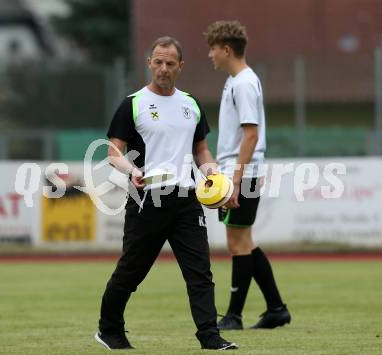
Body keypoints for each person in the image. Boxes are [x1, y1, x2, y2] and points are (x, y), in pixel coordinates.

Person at [94, 36, 238, 351]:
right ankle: (109, 329)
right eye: (157, 62)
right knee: (132, 270)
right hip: (148, 199)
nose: (163, 68)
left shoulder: (191, 104)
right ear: (149, 63)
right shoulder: (133, 103)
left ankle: (210, 337)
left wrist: (213, 174)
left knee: (200, 272)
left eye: (169, 63)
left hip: (187, 199)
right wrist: (132, 171)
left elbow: (201, 150)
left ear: (180, 66)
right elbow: (112, 151)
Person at [204, 21, 291, 330]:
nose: (210, 54)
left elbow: (250, 136)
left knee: (238, 242)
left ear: (226, 49)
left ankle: (234, 316)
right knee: (244, 241)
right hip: (238, 171)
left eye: (213, 48)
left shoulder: (242, 83)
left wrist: (236, 180)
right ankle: (276, 309)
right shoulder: (237, 80)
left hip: (241, 172)